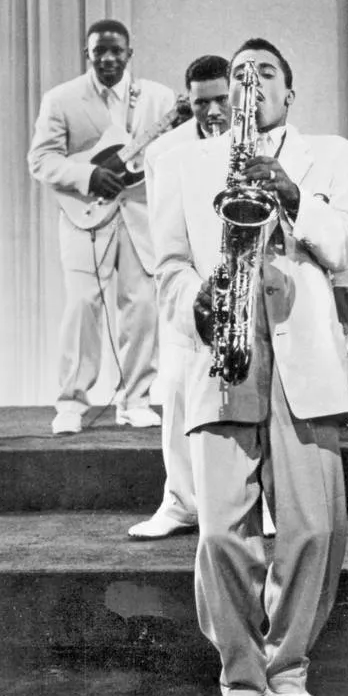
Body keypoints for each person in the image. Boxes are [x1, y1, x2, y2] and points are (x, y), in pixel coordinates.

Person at [152, 37, 348, 696]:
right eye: (238, 73)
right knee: (218, 531)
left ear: (288, 91)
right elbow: (170, 268)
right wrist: (197, 303)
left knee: (313, 528)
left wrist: (293, 195)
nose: (250, 84)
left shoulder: (333, 156)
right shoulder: (182, 164)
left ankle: (289, 670)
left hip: (303, 354)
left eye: (265, 73)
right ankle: (239, 681)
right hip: (225, 354)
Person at [127, 55, 275, 541]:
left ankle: (261, 503)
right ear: (186, 101)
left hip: (249, 293)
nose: (212, 111)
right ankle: (179, 503)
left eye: (220, 100)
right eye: (200, 103)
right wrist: (195, 298)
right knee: (176, 393)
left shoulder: (258, 146)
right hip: (192, 294)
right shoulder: (165, 154)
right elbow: (164, 246)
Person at [28, 19, 176, 435]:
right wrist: (87, 177)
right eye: (99, 51)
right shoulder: (62, 99)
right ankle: (72, 403)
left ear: (130, 52)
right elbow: (41, 160)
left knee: (143, 307)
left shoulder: (161, 98)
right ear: (87, 54)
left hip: (141, 217)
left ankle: (136, 399)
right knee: (81, 307)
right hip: (85, 216)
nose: (108, 58)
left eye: (116, 51)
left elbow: (176, 153)